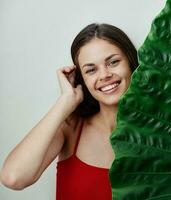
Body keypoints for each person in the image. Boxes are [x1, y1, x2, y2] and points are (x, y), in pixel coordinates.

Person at [0, 23, 139, 199]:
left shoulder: (162, 131)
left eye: (113, 62)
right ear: (82, 77)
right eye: (91, 70)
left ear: (131, 63)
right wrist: (65, 102)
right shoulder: (71, 127)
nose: (104, 75)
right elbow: (13, 178)